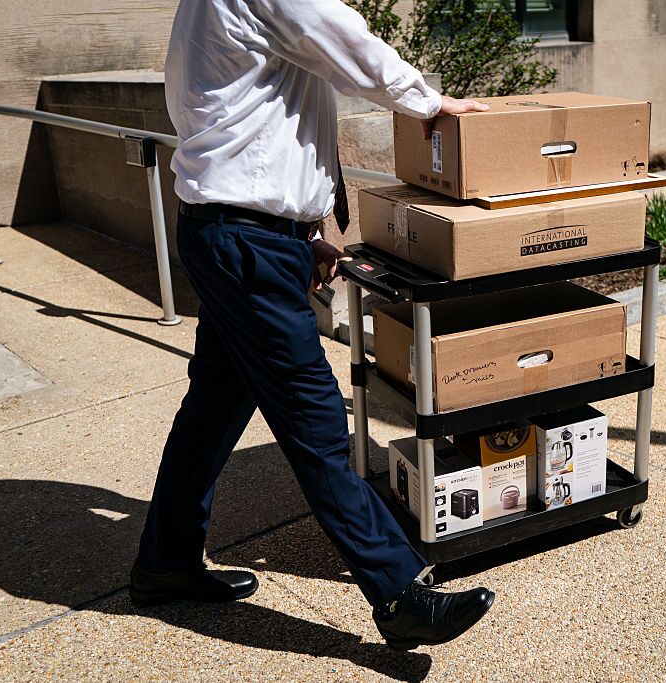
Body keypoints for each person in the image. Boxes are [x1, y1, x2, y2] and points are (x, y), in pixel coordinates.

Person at [129, 0, 494, 651]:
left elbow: (259, 120)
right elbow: (343, 40)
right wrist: (429, 102)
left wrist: (302, 236)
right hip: (246, 245)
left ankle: (165, 562)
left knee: (213, 406)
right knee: (317, 419)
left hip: (234, 233)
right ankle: (398, 592)